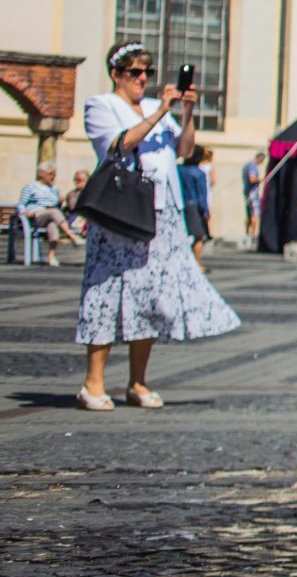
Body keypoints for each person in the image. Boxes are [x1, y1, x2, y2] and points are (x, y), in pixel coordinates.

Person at [74, 43, 239, 409]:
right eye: (135, 72)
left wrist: (187, 111)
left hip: (162, 213)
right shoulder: (101, 105)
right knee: (106, 293)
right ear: (116, 74)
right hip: (121, 212)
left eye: (146, 72)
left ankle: (137, 382)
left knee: (149, 296)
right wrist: (161, 111)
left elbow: (184, 149)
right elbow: (117, 145)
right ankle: (93, 382)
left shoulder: (154, 108)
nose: (143, 79)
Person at [16, 163, 79, 264]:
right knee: (54, 212)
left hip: (50, 215)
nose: (53, 176)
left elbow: (56, 207)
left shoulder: (54, 189)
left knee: (53, 225)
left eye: (54, 174)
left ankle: (51, 256)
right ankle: (72, 235)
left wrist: (59, 202)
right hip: (35, 216)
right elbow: (21, 204)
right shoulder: (31, 187)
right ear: (42, 173)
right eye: (50, 174)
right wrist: (24, 213)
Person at [178, 145, 214, 269]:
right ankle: (197, 264)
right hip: (194, 206)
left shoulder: (179, 169)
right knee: (199, 236)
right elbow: (202, 194)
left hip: (180, 204)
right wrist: (205, 211)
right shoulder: (198, 173)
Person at [241, 150, 265, 242]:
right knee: (254, 213)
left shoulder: (247, 165)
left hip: (248, 192)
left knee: (248, 213)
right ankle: (253, 234)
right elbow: (252, 179)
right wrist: (261, 179)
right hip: (252, 193)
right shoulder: (252, 166)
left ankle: (247, 232)